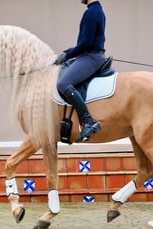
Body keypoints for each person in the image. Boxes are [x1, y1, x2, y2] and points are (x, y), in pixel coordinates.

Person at [54, 0, 107, 142]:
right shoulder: (97, 9)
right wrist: (68, 52)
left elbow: (85, 44)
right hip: (89, 55)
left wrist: (67, 55)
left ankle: (88, 121)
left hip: (90, 57)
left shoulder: (91, 12)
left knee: (63, 83)